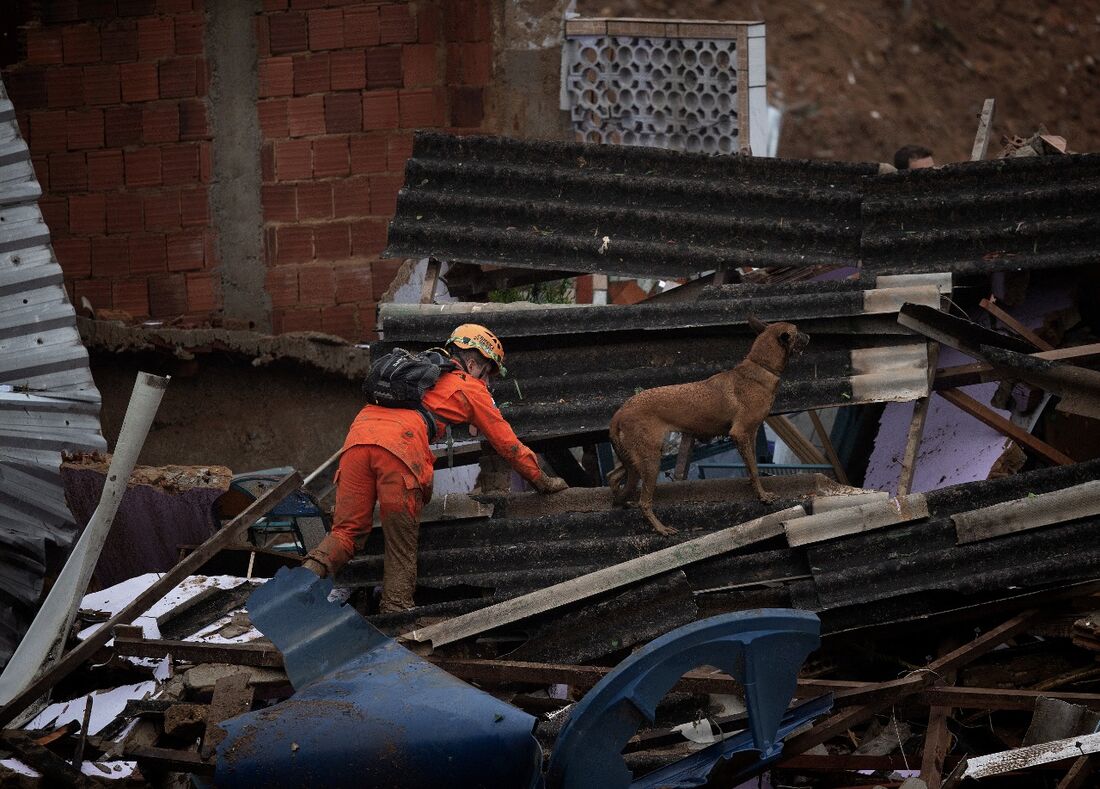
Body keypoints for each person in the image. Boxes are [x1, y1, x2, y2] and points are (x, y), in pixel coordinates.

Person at [303, 323, 569, 612]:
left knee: (346, 533)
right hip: (400, 449)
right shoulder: (469, 387)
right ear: (471, 362)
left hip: (358, 438)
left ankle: (295, 589)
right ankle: (396, 611)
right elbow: (508, 445)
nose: (488, 382)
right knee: (401, 544)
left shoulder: (420, 370)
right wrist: (543, 481)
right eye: (487, 372)